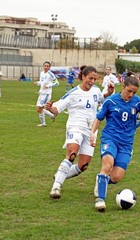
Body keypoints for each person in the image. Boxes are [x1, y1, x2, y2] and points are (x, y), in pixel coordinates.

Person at [90, 75, 140, 211]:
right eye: (129, 91)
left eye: (134, 92)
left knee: (116, 177)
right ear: (123, 87)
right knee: (107, 165)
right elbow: (98, 118)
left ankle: (101, 181)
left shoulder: (138, 102)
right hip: (110, 138)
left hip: (126, 143)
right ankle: (100, 200)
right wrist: (92, 134)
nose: (131, 95)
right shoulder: (110, 101)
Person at [47, 65, 114, 199]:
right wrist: (51, 108)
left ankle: (61, 173)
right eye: (90, 78)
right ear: (83, 76)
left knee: (83, 166)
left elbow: (102, 98)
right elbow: (57, 108)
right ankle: (56, 186)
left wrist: (109, 93)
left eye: (94, 79)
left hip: (91, 131)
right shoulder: (73, 93)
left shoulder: (95, 91)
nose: (92, 81)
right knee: (72, 153)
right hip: (75, 127)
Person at [34, 61, 59, 127]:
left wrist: (48, 86)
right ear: (43, 66)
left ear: (49, 67)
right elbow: (42, 82)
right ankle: (52, 116)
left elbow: (57, 83)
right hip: (41, 93)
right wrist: (38, 83)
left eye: (47, 66)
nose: (46, 67)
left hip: (46, 94)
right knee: (38, 109)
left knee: (40, 108)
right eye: (45, 66)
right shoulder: (41, 73)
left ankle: (44, 123)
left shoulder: (51, 74)